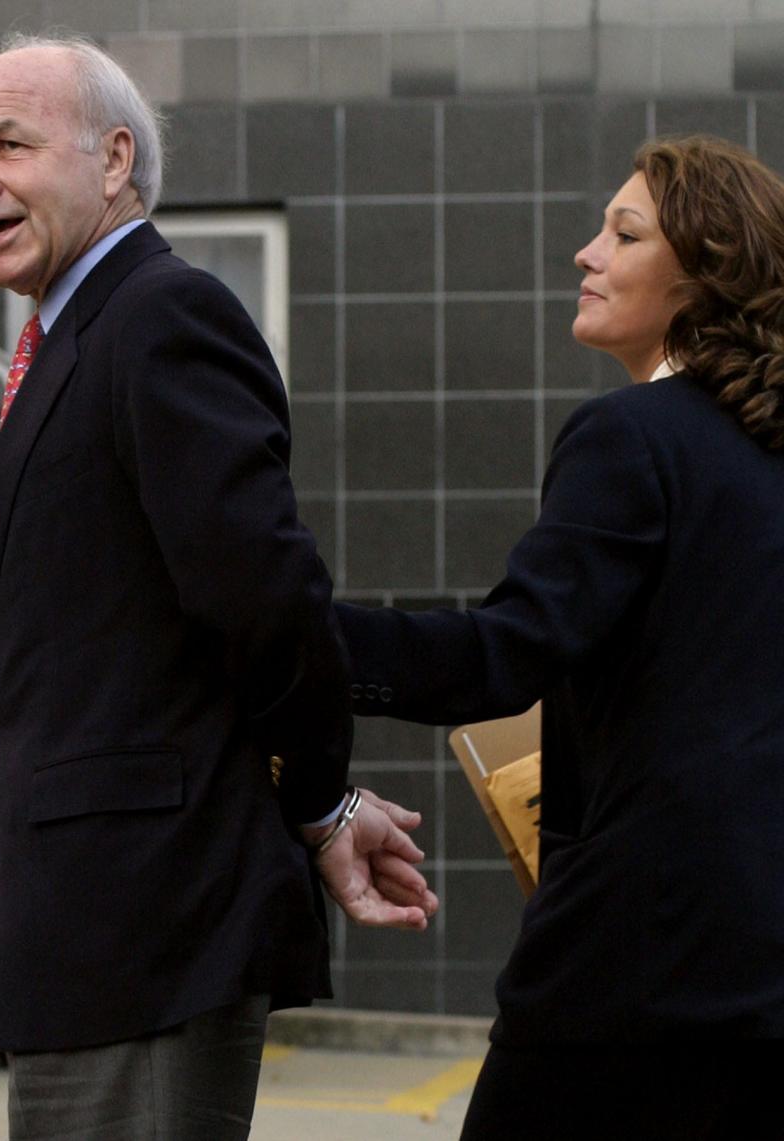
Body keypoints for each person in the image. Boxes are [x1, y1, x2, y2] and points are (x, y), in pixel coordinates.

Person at [0, 31, 437, 1141]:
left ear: (114, 160)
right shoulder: (70, 341)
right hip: (83, 932)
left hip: (145, 926)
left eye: (8, 145)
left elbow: (264, 595)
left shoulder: (159, 315)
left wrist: (319, 796)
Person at [336, 135, 784, 1140]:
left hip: (636, 961)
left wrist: (297, 640)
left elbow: (509, 653)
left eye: (623, 233)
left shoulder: (633, 436)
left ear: (701, 274)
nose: (586, 253)